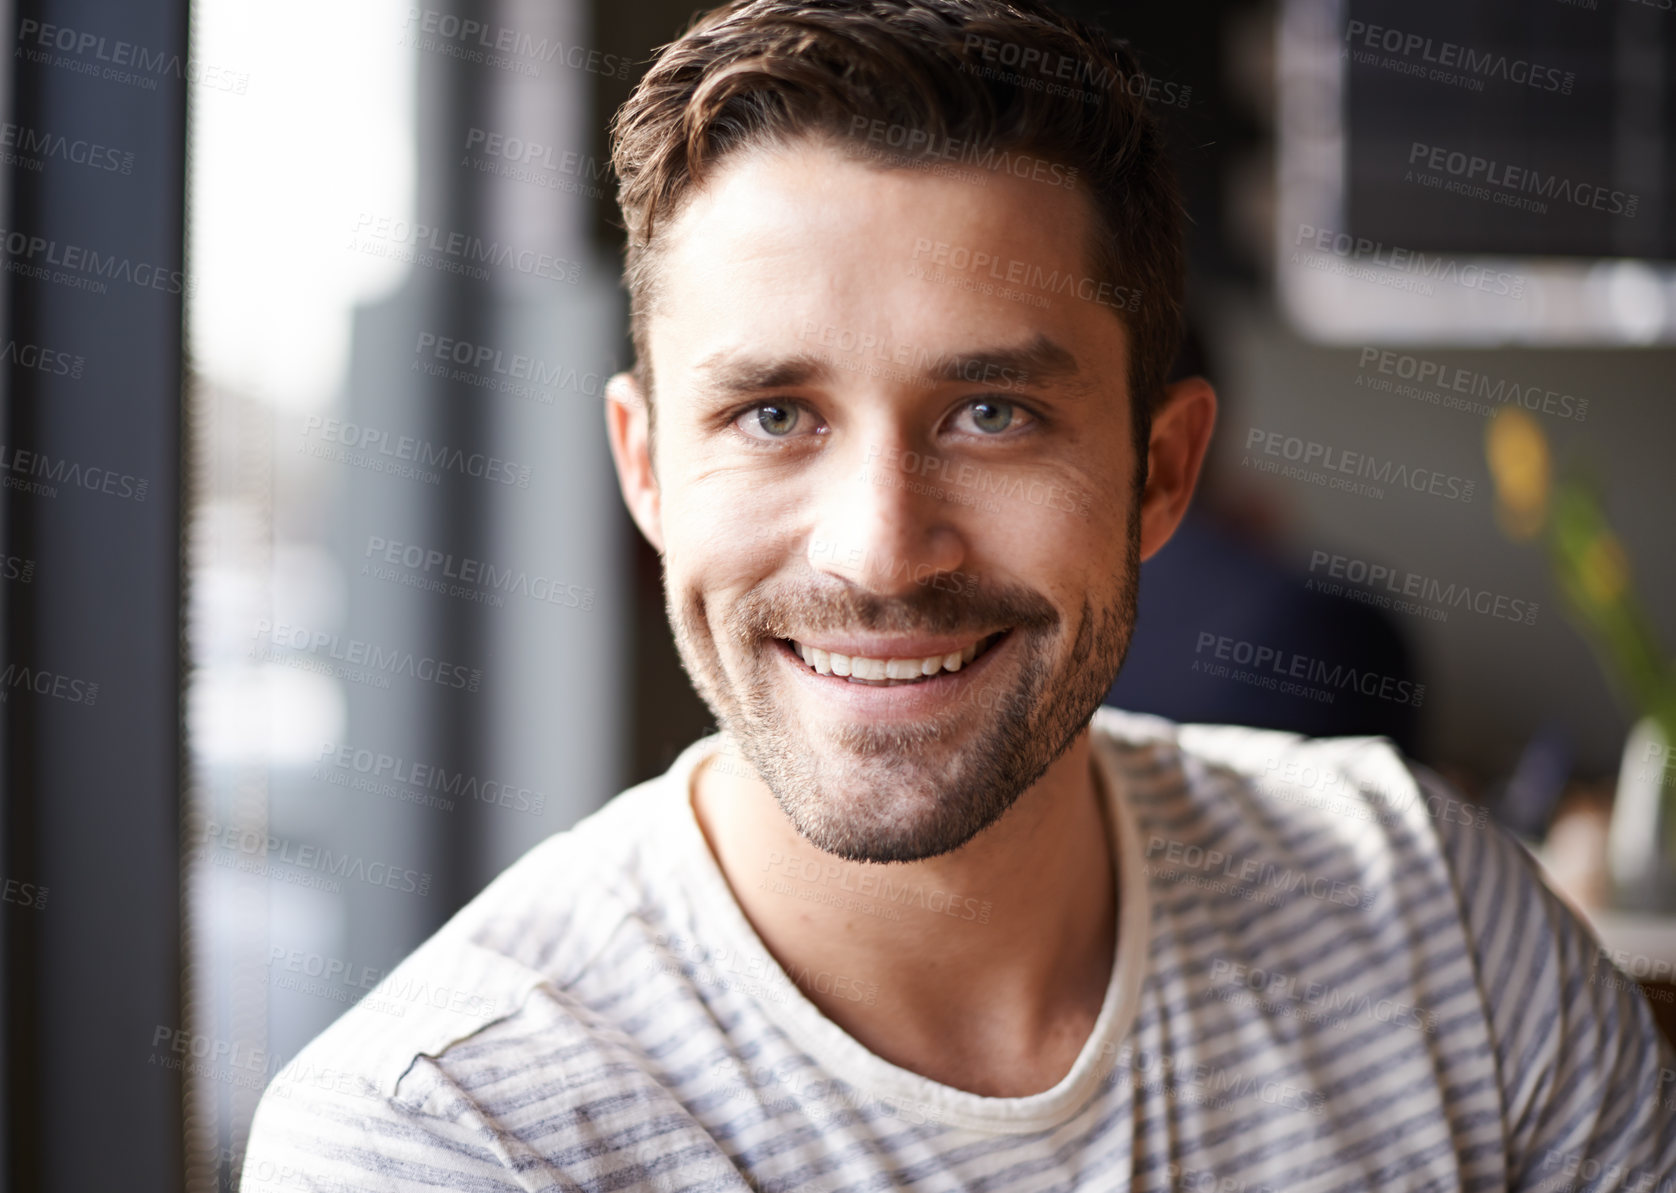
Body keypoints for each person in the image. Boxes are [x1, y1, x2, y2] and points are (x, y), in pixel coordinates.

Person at [240, 1, 1676, 1188]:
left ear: (1161, 473)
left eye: (991, 412)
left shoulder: (1435, 920)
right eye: (772, 415)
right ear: (649, 471)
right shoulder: (437, 1133)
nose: (879, 552)